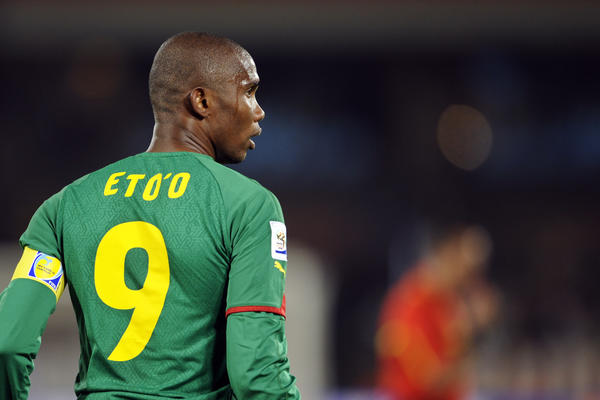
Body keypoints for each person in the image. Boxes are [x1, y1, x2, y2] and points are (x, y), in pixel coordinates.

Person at [0, 32, 301, 399]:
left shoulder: (64, 206)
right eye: (249, 92)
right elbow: (256, 375)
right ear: (202, 101)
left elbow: (7, 345)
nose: (259, 111)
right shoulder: (249, 205)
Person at [375, 224, 497, 400]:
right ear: (446, 255)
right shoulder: (409, 306)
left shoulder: (450, 302)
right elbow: (430, 380)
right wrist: (472, 331)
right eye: (467, 269)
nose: (472, 280)